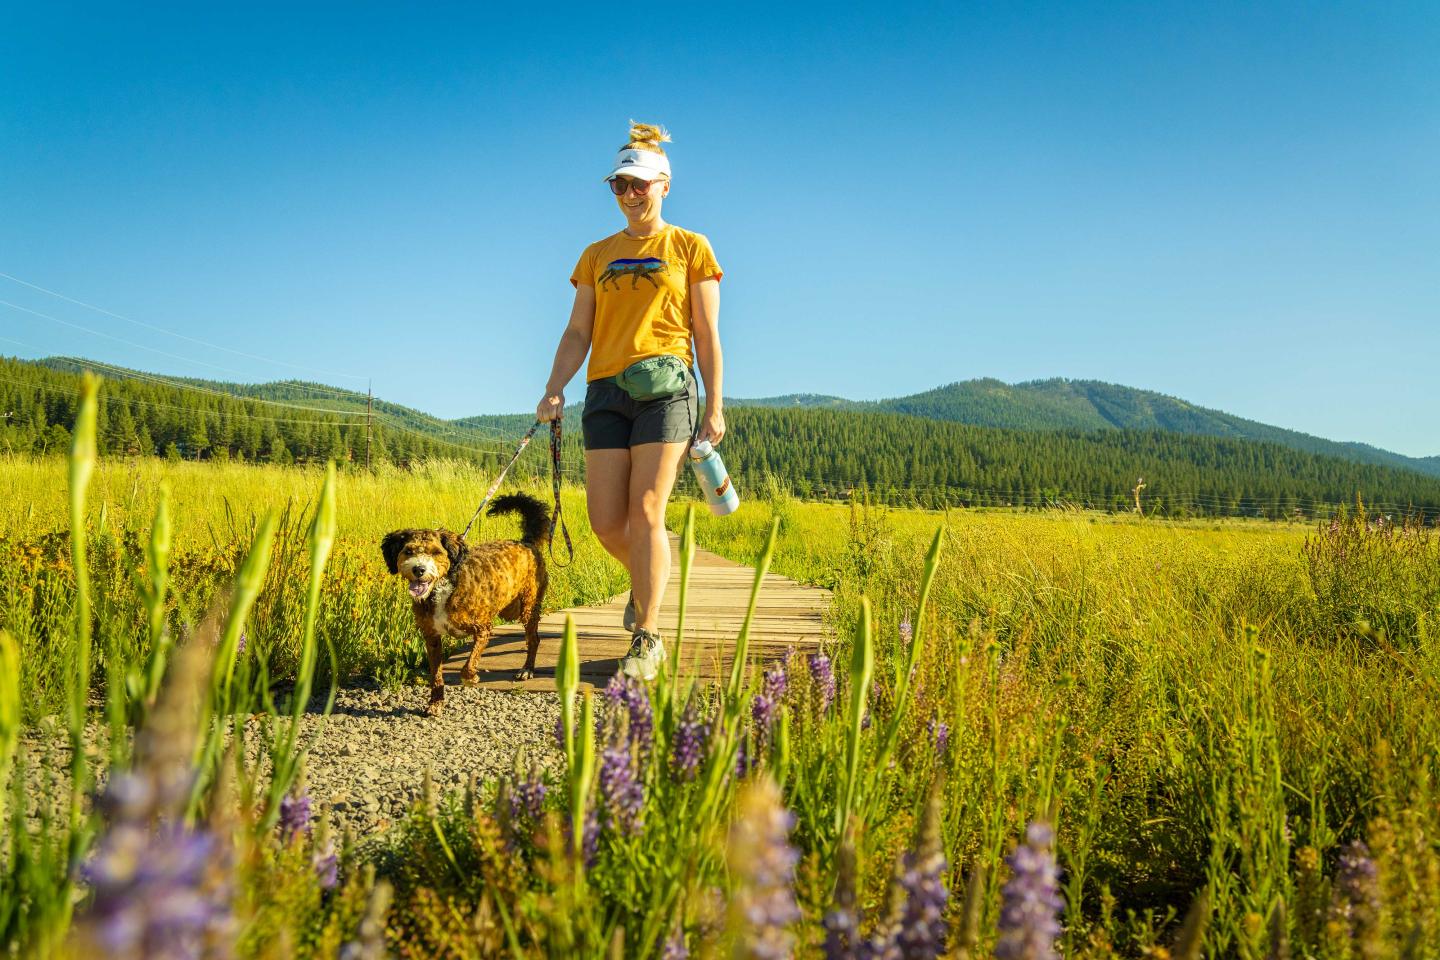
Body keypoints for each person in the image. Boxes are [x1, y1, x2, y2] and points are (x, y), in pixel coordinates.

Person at [536, 122, 725, 681]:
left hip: (666, 387)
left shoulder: (690, 247)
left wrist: (715, 403)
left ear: (664, 185)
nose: (629, 195)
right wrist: (554, 386)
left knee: (646, 511)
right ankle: (650, 581)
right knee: (604, 522)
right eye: (620, 186)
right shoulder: (596, 254)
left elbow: (707, 331)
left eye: (640, 185)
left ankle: (649, 631)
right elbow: (578, 332)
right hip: (605, 392)